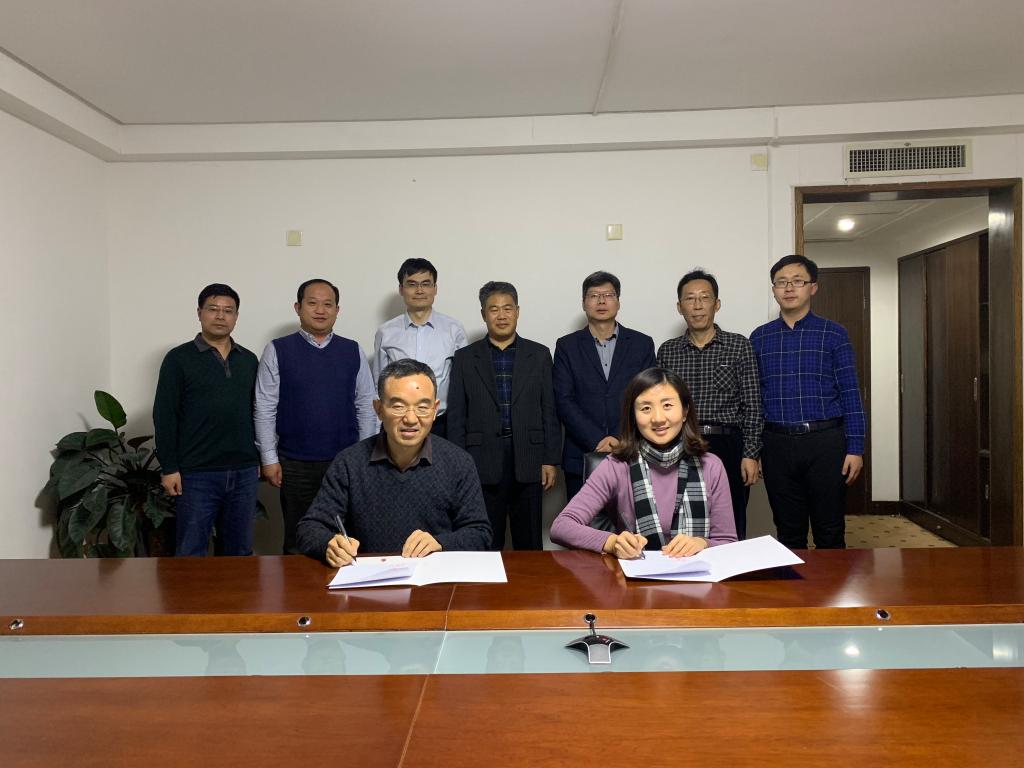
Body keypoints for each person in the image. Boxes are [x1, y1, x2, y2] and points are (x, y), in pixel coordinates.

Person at [296, 359, 491, 566]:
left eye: (422, 407)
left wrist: (441, 543)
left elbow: (480, 533)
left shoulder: (458, 462)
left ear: (435, 410)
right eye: (398, 406)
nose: (411, 419)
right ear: (379, 409)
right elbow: (309, 528)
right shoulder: (349, 463)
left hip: (433, 578)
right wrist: (329, 544)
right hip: (368, 577)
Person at [551, 367, 737, 557]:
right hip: (637, 571)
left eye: (667, 405)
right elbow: (562, 526)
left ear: (685, 411)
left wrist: (702, 543)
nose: (658, 419)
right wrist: (612, 542)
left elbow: (728, 542)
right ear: (633, 416)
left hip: (697, 573)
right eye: (646, 408)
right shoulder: (616, 466)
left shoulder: (711, 466)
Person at [254, 278, 379, 555]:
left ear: (337, 310)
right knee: (298, 538)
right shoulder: (278, 350)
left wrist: (365, 454)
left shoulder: (352, 350)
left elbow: (365, 404)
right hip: (294, 463)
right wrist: (269, 458)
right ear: (298, 307)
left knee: (348, 537)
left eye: (328, 304)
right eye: (312, 303)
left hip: (345, 460)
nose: (320, 310)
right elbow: (265, 406)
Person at [749, 254, 865, 549]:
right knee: (788, 532)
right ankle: (793, 582)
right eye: (781, 282)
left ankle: (832, 581)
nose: (789, 288)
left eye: (797, 281)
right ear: (773, 289)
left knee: (830, 530)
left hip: (825, 442)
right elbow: (754, 398)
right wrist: (754, 450)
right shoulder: (759, 338)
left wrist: (856, 448)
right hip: (776, 444)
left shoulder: (834, 334)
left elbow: (850, 392)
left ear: (813, 287)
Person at [447, 281, 561, 550]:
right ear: (483, 314)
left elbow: (550, 410)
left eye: (508, 308)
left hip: (529, 456)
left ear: (517, 312)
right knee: (486, 539)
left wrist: (550, 459)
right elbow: (457, 415)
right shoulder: (465, 358)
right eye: (494, 309)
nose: (501, 315)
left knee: (529, 540)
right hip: (480, 459)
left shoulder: (539, 354)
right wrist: (458, 464)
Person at [153, 283, 259, 556]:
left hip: (244, 471)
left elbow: (259, 412)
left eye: (228, 310)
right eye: (213, 309)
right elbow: (165, 415)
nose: (220, 316)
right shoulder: (178, 359)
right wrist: (169, 468)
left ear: (236, 316)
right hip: (196, 473)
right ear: (199, 313)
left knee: (239, 553)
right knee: (191, 553)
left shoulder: (248, 360)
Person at [656, 268, 762, 539]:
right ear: (679, 306)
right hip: (681, 443)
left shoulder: (739, 346)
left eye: (705, 297)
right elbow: (661, 405)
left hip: (728, 444)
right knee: (681, 520)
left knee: (731, 519)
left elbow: (753, 405)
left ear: (717, 304)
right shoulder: (668, 351)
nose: (698, 305)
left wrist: (750, 454)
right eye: (690, 298)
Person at [553, 270, 656, 500]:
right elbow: (563, 400)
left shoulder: (641, 344)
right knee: (582, 521)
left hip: (631, 451)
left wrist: (620, 438)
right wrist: (596, 439)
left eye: (608, 295)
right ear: (583, 303)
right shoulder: (567, 346)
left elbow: (647, 396)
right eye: (594, 296)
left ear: (618, 302)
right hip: (581, 455)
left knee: (631, 522)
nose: (601, 301)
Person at [373, 258, 468, 438]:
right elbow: (379, 383)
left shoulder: (454, 330)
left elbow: (464, 383)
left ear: (435, 288)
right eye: (412, 284)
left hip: (442, 423)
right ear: (401, 289)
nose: (419, 290)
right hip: (399, 422)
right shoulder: (386, 332)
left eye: (426, 284)